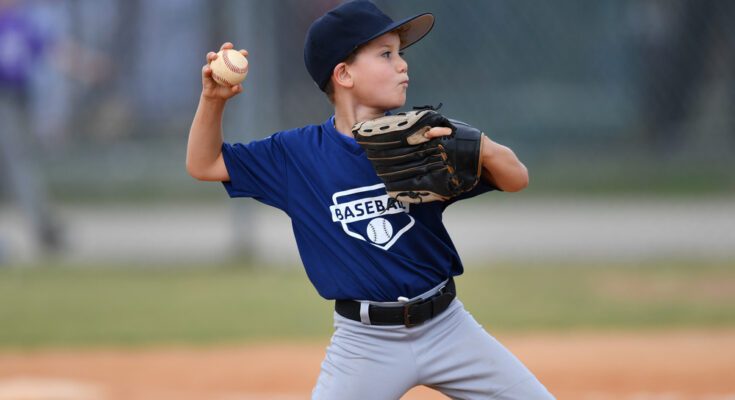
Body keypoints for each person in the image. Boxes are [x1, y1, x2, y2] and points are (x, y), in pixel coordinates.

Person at [187, 1, 553, 399]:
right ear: (343, 74)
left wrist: (476, 143)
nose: (402, 65)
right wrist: (214, 100)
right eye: (386, 54)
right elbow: (205, 163)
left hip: (448, 328)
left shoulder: (422, 140)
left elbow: (517, 179)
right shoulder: (298, 156)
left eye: (401, 54)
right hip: (364, 345)